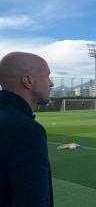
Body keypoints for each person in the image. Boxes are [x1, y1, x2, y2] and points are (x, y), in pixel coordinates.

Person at [0, 52, 54, 206]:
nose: (51, 84)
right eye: (48, 77)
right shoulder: (26, 130)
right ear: (28, 81)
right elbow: (32, 199)